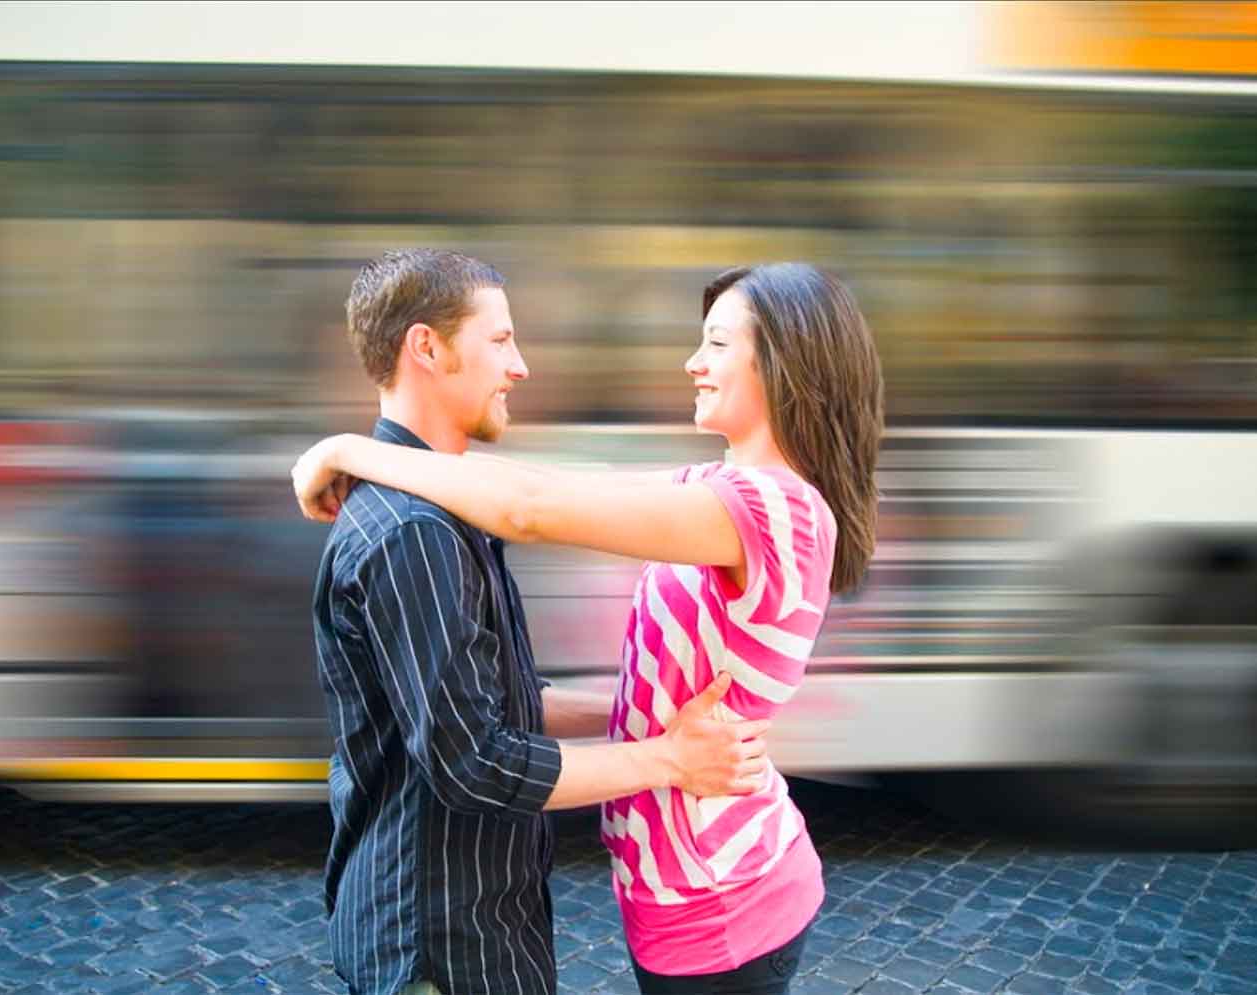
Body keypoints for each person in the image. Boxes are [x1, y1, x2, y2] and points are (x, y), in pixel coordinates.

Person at [294, 261, 885, 995]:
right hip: (674, 897)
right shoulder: (714, 486)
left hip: (724, 900)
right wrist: (650, 736)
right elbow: (551, 492)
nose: (693, 362)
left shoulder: (775, 510)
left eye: (717, 344)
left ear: (787, 362)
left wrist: (348, 450)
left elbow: (530, 508)